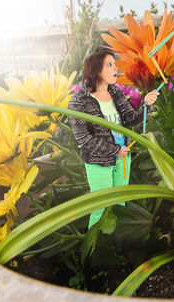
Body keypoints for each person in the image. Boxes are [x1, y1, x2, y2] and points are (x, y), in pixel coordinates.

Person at [68, 50, 159, 228]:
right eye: (109, 65)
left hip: (123, 158)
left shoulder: (116, 92)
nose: (115, 68)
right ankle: (94, 250)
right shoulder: (79, 100)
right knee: (101, 207)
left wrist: (146, 105)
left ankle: (115, 243)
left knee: (119, 206)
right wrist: (114, 150)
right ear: (95, 70)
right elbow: (83, 137)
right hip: (99, 160)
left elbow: (131, 119)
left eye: (114, 64)